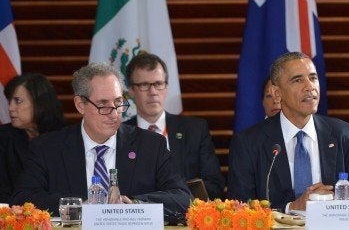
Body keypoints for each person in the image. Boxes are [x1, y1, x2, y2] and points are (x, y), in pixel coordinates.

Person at [12, 63, 191, 221]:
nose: (114, 113)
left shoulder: (151, 145)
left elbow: (182, 198)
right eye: (103, 105)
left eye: (118, 102)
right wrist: (79, 207)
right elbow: (23, 199)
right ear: (80, 104)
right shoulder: (47, 148)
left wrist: (134, 204)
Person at [228, 52, 349, 212]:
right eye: (298, 80)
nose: (310, 87)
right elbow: (241, 208)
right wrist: (291, 208)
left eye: (313, 78)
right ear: (277, 94)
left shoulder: (345, 135)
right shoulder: (248, 143)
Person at [123, 52, 225, 199]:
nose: (153, 92)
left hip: (186, 216)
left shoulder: (195, 130)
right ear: (131, 91)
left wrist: (175, 200)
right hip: (137, 218)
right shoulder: (121, 135)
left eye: (158, 84)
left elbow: (215, 185)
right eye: (144, 85)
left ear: (166, 87)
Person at [0, 73, 65, 203]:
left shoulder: (65, 137)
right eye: (9, 101)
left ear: (39, 103)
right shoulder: (3, 137)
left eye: (18, 101)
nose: (11, 108)